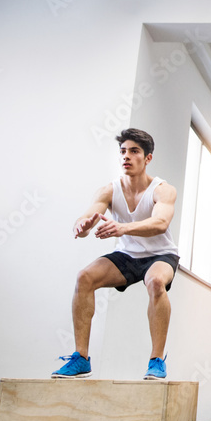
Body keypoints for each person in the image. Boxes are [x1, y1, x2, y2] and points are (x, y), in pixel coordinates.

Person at [52, 128, 179, 380]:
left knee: (155, 282)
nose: (126, 157)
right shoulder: (109, 190)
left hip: (160, 255)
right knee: (84, 277)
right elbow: (87, 216)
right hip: (127, 255)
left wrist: (122, 227)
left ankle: (156, 360)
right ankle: (81, 358)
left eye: (134, 151)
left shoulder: (163, 190)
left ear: (148, 158)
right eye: (123, 151)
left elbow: (160, 223)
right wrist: (82, 225)